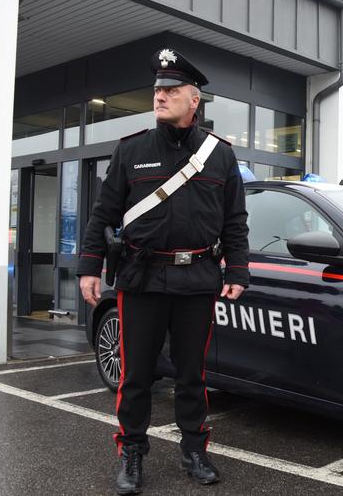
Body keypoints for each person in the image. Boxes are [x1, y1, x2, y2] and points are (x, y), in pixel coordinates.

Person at [77, 48, 249, 494]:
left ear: (194, 100)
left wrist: (238, 271)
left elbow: (234, 221)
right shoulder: (131, 150)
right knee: (136, 374)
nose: (160, 96)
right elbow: (102, 215)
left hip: (197, 280)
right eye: (157, 90)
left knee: (192, 373)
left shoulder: (220, 157)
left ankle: (194, 449)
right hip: (141, 278)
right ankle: (132, 451)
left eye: (171, 90)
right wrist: (89, 267)